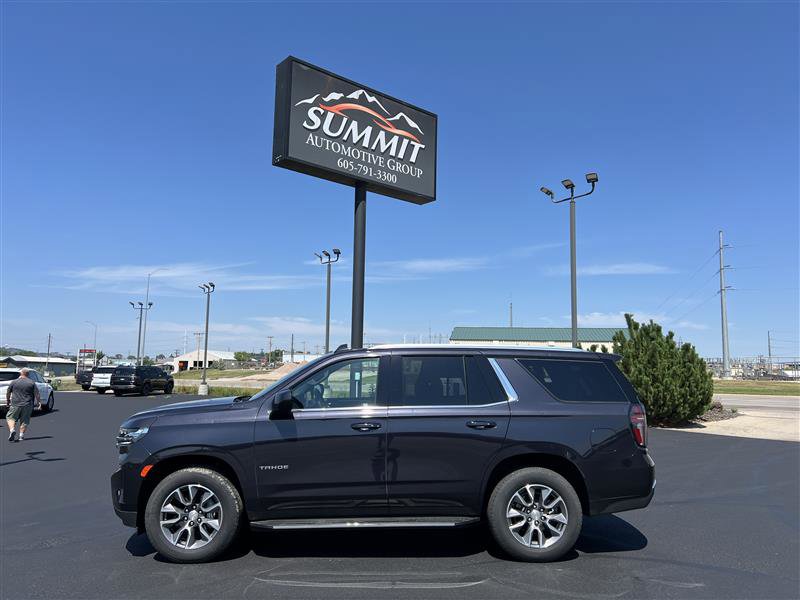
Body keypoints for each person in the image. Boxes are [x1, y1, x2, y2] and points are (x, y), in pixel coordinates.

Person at [6, 368, 41, 442]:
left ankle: (12, 430)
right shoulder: (31, 382)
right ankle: (21, 436)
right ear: (28, 374)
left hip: (15, 404)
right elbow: (37, 394)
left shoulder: (14, 382)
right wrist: (39, 403)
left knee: (10, 417)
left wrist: (8, 401)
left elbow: (8, 392)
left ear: (21, 373)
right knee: (24, 420)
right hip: (27, 404)